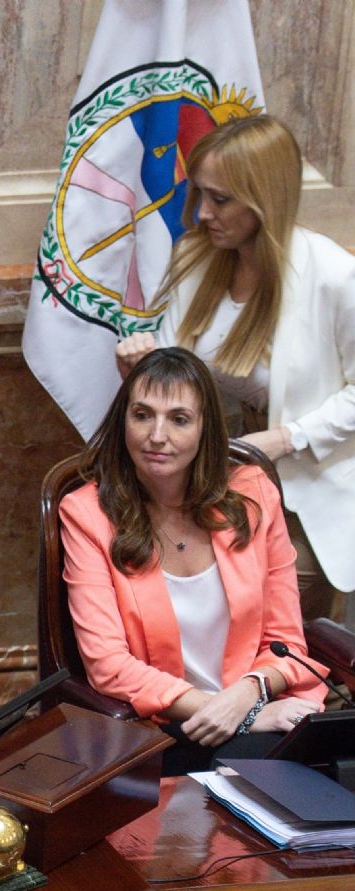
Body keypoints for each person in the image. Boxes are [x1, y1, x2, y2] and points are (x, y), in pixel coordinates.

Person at [114, 114, 355, 621]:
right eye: (199, 194)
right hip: (208, 479)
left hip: (305, 493)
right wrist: (137, 369)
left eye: (220, 199)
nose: (203, 213)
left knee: (262, 621)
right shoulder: (196, 258)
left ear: (265, 199)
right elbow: (175, 379)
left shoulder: (334, 276)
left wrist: (287, 438)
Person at [62, 348, 326, 774]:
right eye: (142, 415)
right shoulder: (87, 513)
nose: (157, 435)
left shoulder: (253, 495)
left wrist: (249, 694)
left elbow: (286, 643)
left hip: (256, 709)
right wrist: (235, 714)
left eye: (179, 419)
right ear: (122, 421)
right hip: (161, 728)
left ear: (206, 429)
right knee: (264, 774)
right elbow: (108, 666)